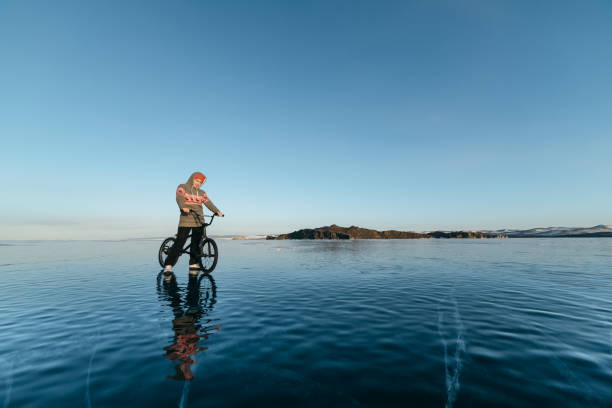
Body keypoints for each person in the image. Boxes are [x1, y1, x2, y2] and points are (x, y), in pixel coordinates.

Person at [163, 172, 223, 275]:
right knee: (180, 242)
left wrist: (217, 211)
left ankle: (193, 263)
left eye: (201, 182)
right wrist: (183, 207)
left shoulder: (202, 192)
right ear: (192, 179)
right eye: (197, 181)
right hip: (186, 218)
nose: (198, 183)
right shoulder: (183, 187)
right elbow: (180, 198)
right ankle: (168, 265)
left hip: (199, 219)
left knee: (196, 242)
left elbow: (208, 203)